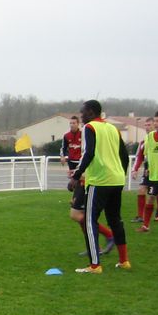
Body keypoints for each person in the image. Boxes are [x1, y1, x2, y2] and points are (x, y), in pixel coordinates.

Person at [71, 100, 131, 273]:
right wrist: (121, 173)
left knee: (90, 221)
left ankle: (95, 265)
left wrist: (76, 176)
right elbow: (124, 155)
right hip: (117, 179)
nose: (81, 115)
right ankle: (124, 261)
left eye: (83, 112)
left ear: (90, 112)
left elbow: (88, 153)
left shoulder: (89, 128)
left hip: (99, 181)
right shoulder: (113, 129)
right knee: (115, 220)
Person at [62, 113, 116, 256]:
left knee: (76, 214)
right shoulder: (71, 136)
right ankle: (94, 247)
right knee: (81, 214)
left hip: (87, 178)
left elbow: (88, 155)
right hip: (82, 176)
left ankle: (109, 235)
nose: (72, 125)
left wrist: (78, 175)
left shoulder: (88, 131)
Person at [130, 139, 149, 223]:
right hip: (147, 171)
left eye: (149, 124)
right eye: (146, 125)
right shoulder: (143, 142)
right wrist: (135, 170)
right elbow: (139, 157)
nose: (147, 127)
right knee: (141, 190)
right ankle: (141, 216)